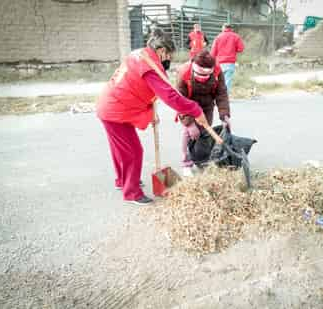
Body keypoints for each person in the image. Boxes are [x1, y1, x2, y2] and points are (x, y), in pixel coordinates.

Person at [96, 29, 209, 205]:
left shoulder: (140, 54)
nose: (170, 59)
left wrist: (151, 112)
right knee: (133, 152)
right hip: (115, 110)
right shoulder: (150, 67)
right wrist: (196, 110)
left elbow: (138, 86)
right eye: (169, 55)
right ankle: (132, 192)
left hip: (112, 104)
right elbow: (171, 97)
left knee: (121, 148)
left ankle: (122, 180)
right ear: (162, 51)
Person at [176, 50, 230, 177]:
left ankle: (201, 160)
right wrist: (189, 124)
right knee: (188, 133)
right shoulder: (183, 73)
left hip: (207, 106)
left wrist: (224, 114)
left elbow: (221, 93)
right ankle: (186, 163)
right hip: (187, 106)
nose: (203, 79)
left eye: (206, 76)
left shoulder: (217, 71)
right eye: (200, 75)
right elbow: (179, 101)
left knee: (204, 133)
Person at [210, 23, 244, 93]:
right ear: (231, 28)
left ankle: (217, 96)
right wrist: (233, 49)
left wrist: (211, 60)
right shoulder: (236, 36)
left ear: (223, 28)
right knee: (227, 80)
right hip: (230, 62)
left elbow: (213, 51)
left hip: (219, 62)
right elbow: (241, 49)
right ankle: (225, 97)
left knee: (219, 80)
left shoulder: (218, 37)